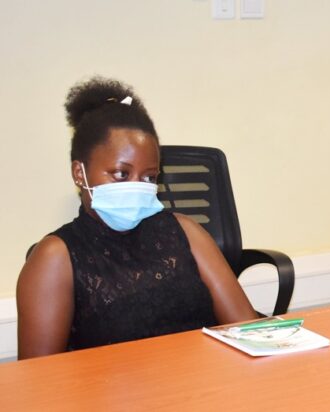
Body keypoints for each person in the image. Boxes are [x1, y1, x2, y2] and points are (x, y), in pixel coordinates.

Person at [16, 77, 258, 359]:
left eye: (149, 177)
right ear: (79, 173)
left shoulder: (185, 232)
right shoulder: (56, 257)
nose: (137, 185)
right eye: (121, 173)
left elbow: (248, 330)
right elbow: (38, 384)